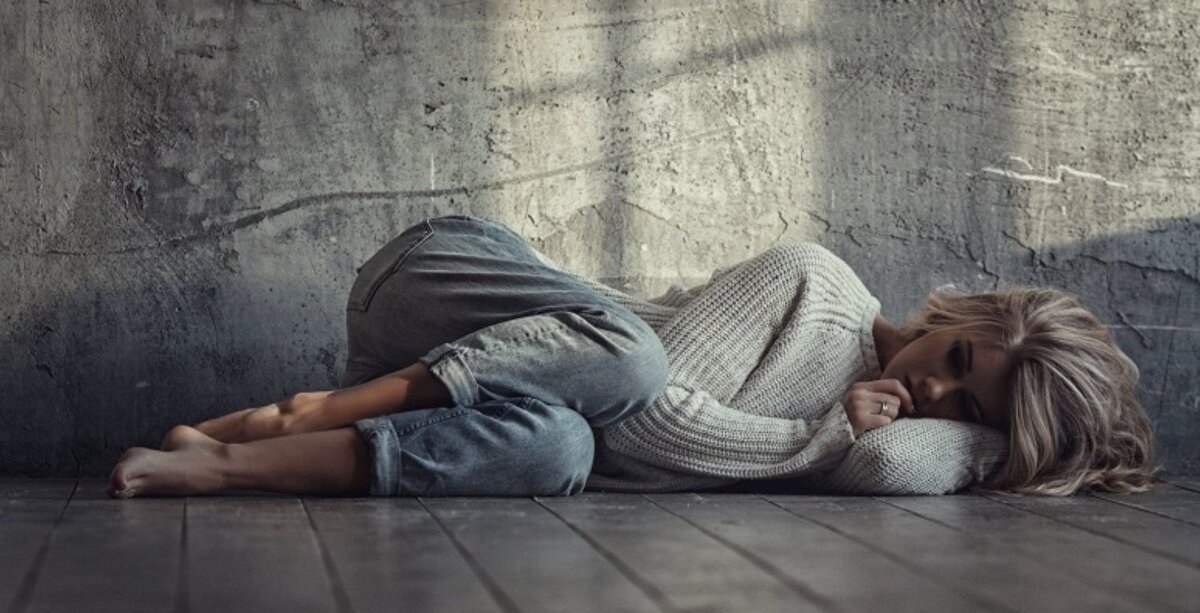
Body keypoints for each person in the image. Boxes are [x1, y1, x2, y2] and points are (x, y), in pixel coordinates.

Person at [106, 215, 1156, 499]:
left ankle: (224, 458)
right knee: (631, 366)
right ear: (961, 310)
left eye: (965, 407)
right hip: (446, 277)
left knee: (563, 450)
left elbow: (888, 461)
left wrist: (995, 450)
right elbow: (648, 416)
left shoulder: (875, 433)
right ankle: (304, 409)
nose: (933, 385)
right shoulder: (819, 286)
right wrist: (812, 438)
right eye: (959, 354)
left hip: (475, 391)